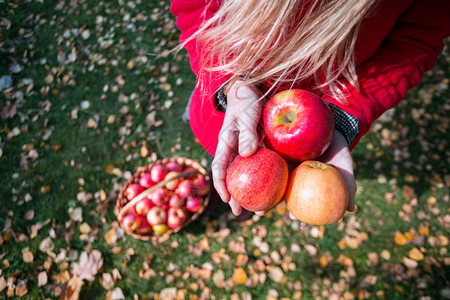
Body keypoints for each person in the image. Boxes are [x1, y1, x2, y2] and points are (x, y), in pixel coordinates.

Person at [170, 0, 450, 217]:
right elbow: (196, 8)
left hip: (317, 132)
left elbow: (417, 38)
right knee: (225, 163)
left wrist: (340, 116)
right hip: (224, 116)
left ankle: (238, 206)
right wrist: (229, 82)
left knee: (246, 194)